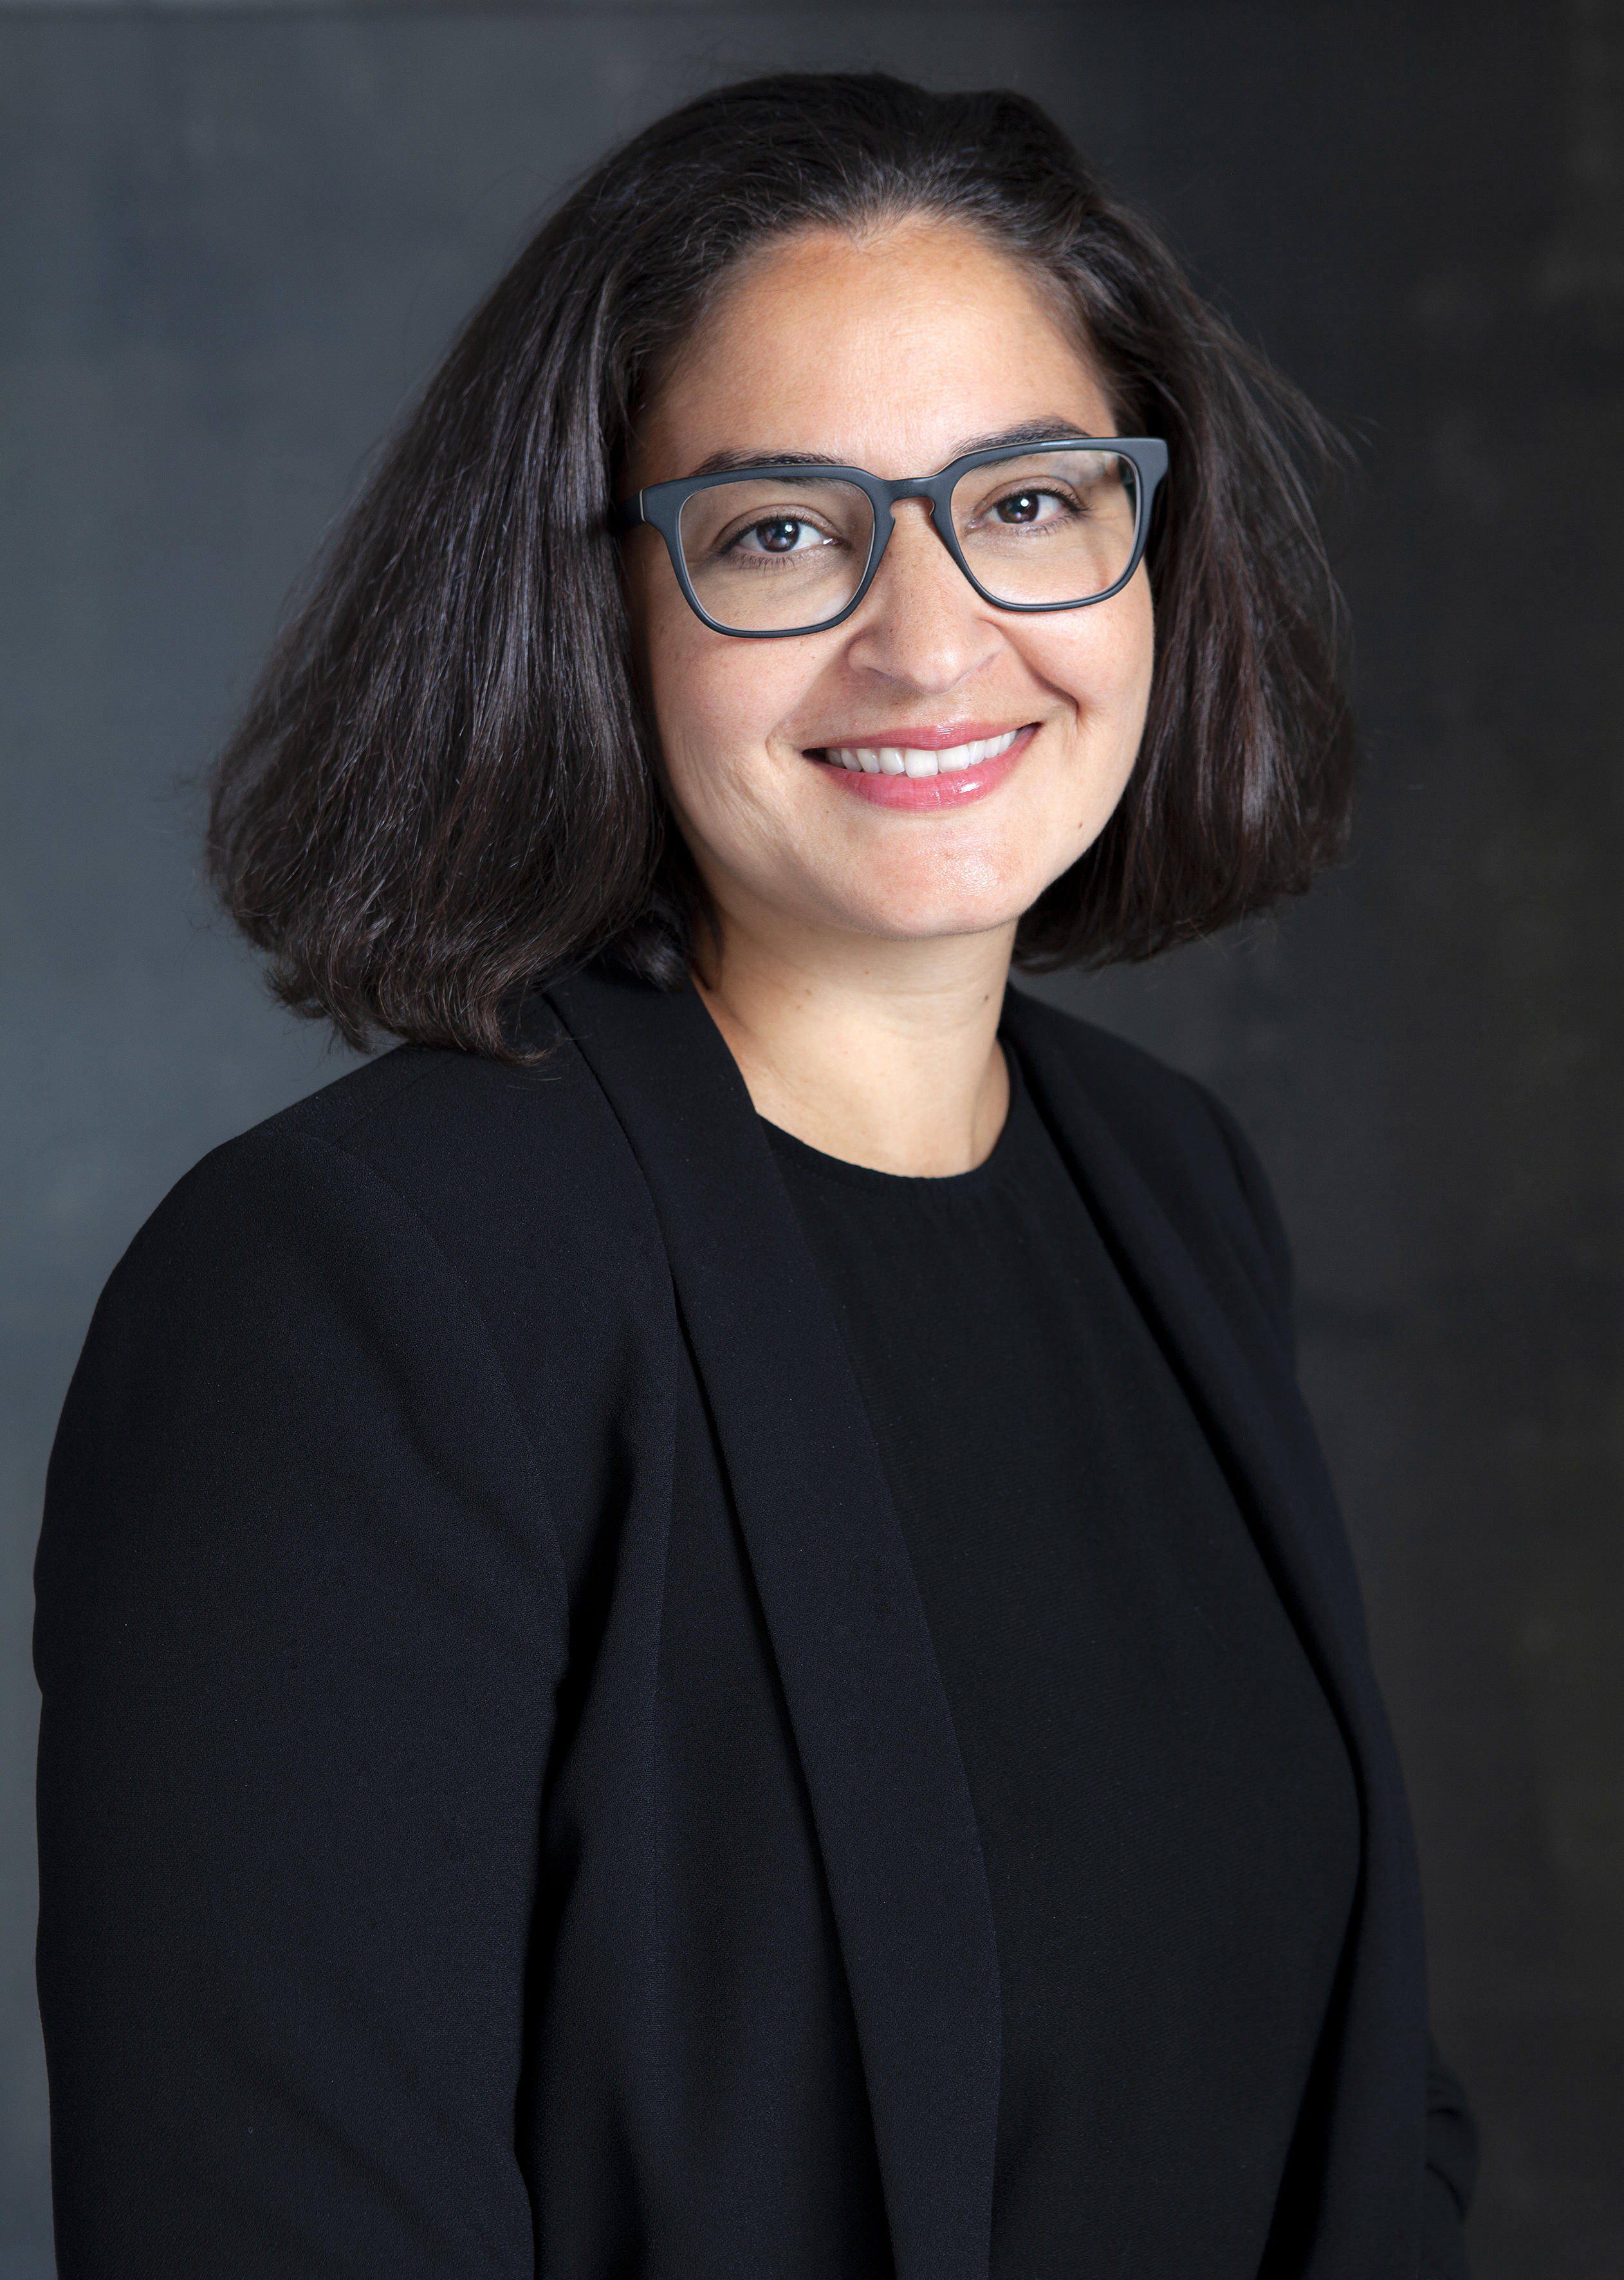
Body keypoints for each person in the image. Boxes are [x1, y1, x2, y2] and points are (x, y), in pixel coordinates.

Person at [34, 70, 1478, 2280]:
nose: (930, 639)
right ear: (596, 601)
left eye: (1027, 497)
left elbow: (1363, 2119)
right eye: (784, 529)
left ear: (1150, 543)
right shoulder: (352, 1296)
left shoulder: (1174, 1196)